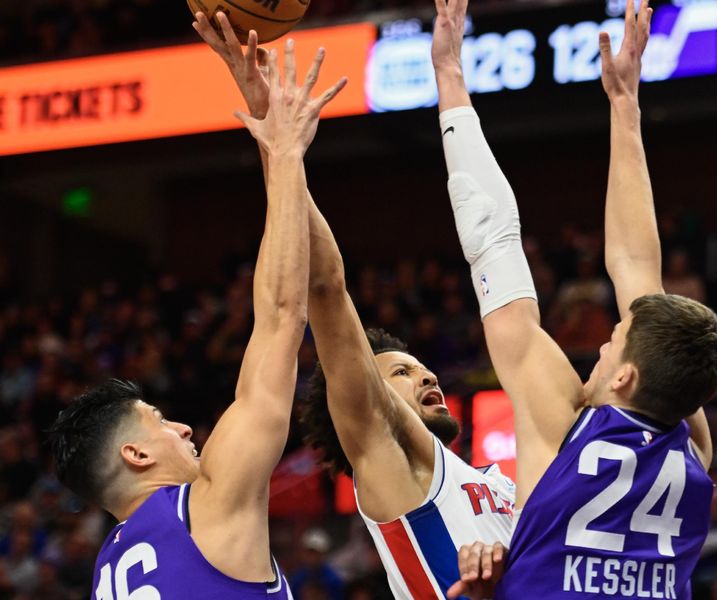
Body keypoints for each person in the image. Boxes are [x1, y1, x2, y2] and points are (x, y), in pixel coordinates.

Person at [190, 11, 516, 599]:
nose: (426, 373)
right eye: (399, 372)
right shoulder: (392, 461)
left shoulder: (497, 484)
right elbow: (326, 289)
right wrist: (277, 138)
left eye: (418, 365)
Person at [432, 0, 717, 597]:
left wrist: (449, 76)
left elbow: (494, 244)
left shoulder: (564, 433)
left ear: (625, 377)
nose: (601, 342)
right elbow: (638, 276)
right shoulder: (693, 448)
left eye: (612, 341)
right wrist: (624, 106)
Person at [48, 36, 347, 599]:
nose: (184, 428)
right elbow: (282, 315)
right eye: (160, 421)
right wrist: (282, 149)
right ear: (135, 455)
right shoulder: (206, 504)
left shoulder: (107, 572)